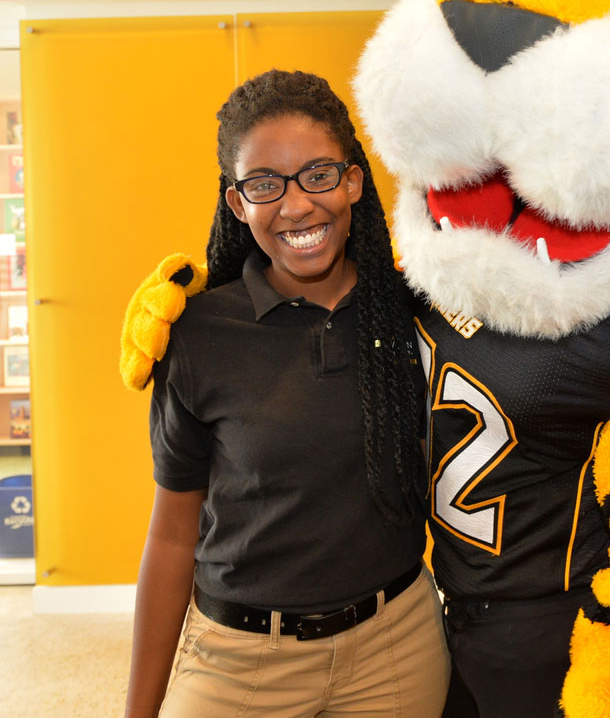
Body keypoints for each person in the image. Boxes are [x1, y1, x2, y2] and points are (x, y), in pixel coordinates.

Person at [125, 70, 448, 717]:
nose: (296, 205)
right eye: (265, 184)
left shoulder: (414, 311)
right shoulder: (195, 333)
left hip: (397, 646)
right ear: (237, 203)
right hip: (240, 660)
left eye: (319, 174)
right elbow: (170, 538)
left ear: (354, 180)